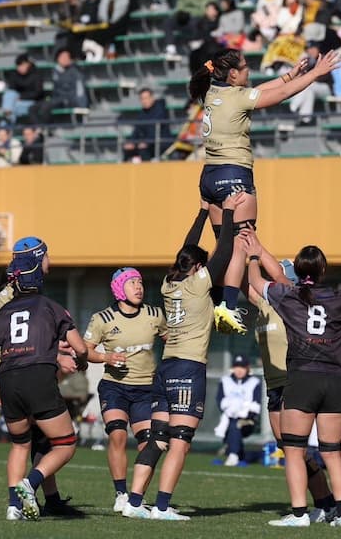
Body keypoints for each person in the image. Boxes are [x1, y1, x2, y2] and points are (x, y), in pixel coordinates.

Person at [188, 47, 341, 335]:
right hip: (235, 174)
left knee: (225, 245)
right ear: (233, 74)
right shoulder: (238, 97)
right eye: (245, 67)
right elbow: (276, 96)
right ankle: (228, 306)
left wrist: (290, 75)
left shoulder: (212, 92)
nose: (249, 71)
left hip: (209, 177)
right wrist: (315, 74)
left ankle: (217, 299)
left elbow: (259, 91)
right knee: (240, 243)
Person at [122, 198, 241, 521]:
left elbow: (188, 247)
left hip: (166, 367)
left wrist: (203, 211)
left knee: (158, 440)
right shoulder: (198, 283)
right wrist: (229, 211)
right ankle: (161, 507)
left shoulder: (168, 283)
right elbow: (226, 249)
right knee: (180, 442)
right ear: (199, 268)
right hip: (188, 368)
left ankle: (134, 502)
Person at [246, 242, 341, 527]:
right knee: (333, 452)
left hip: (302, 378)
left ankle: (299, 515)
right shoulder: (339, 298)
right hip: (334, 381)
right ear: (323, 270)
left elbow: (256, 282)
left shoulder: (288, 296)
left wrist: (254, 256)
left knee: (294, 451)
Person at [0, 236, 89, 521]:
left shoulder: (8, 303)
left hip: (8, 377)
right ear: (38, 262)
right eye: (47, 256)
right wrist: (68, 357)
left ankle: (18, 505)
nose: (50, 261)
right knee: (61, 443)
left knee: (26, 443)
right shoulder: (36, 302)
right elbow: (29, 344)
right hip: (33, 374)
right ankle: (29, 487)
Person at [239, 231, 339, 522]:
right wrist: (234, 246)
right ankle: (326, 504)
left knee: (296, 449)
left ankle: (316, 506)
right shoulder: (265, 304)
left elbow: (279, 281)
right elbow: (244, 283)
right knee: (290, 448)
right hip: (275, 384)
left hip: (294, 381)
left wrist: (257, 252)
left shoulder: (293, 301)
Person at [84, 267, 167, 513]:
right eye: (132, 283)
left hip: (146, 389)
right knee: (118, 435)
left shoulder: (155, 314)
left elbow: (171, 340)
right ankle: (121, 493)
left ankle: (137, 497)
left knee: (149, 445)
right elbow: (86, 350)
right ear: (119, 288)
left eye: (140, 282)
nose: (139, 287)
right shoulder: (103, 319)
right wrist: (106, 357)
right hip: (114, 388)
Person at [215, 354, 262, 467]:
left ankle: (233, 455)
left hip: (247, 421)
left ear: (247, 368)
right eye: (236, 367)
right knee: (233, 425)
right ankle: (239, 453)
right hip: (228, 419)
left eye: (242, 367)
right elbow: (220, 401)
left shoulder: (254, 382)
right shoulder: (225, 381)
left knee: (235, 425)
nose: (239, 370)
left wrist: (248, 416)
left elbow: (256, 404)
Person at [123, 88, 170, 162]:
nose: (144, 101)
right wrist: (131, 142)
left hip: (160, 143)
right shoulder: (142, 113)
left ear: (152, 98)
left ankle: (147, 172)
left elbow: (154, 130)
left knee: (143, 150)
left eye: (146, 98)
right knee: (127, 149)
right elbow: (137, 130)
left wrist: (146, 142)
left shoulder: (160, 111)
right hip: (147, 142)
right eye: (142, 99)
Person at [3, 54, 44, 120]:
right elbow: (12, 90)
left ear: (28, 64)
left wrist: (21, 97)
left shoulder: (36, 75)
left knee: (15, 107)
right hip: (16, 101)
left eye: (22, 65)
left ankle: (8, 122)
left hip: (32, 102)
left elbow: (38, 93)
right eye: (18, 65)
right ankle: (8, 116)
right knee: (9, 94)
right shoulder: (15, 74)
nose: (20, 67)